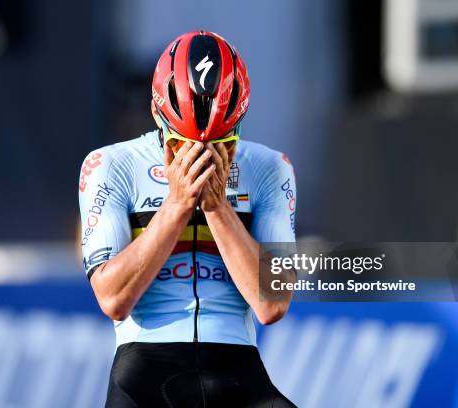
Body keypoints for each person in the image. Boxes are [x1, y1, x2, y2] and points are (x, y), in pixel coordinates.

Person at [79, 31, 297, 407]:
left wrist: (218, 209)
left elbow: (272, 304)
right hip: (145, 369)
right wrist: (177, 205)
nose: (201, 156)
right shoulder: (111, 165)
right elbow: (113, 298)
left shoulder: (268, 168)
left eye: (222, 142)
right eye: (181, 143)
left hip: (236, 366)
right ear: (155, 113)